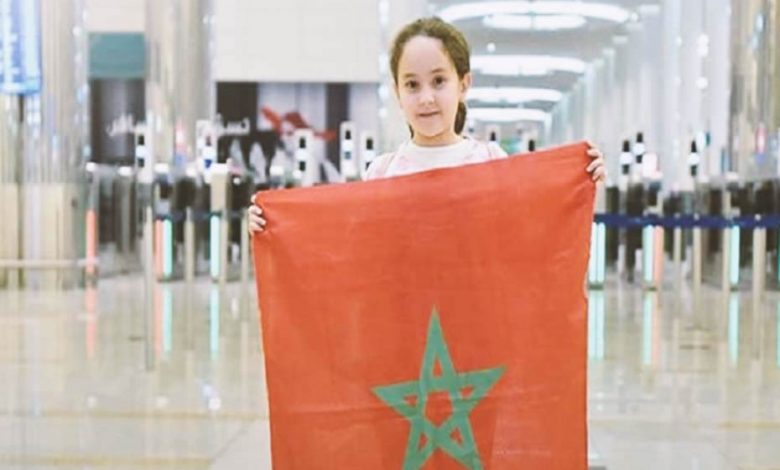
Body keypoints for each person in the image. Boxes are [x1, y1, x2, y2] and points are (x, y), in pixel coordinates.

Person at [248, 16, 605, 233]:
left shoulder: (492, 162)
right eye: (412, 85)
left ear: (464, 84)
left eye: (438, 81)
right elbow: (347, 251)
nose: (426, 98)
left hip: (479, 336)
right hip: (405, 336)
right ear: (397, 93)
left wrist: (580, 185)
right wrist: (276, 226)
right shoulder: (382, 173)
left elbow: (534, 231)